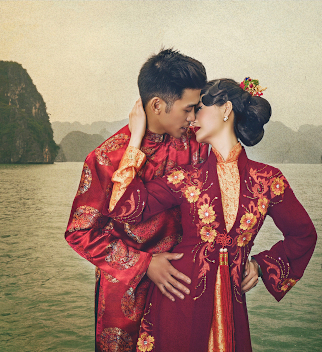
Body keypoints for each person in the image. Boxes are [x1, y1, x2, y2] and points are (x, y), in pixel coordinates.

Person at [106, 78, 317, 351]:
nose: (192, 118)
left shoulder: (268, 181)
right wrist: (135, 139)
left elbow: (304, 234)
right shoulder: (185, 179)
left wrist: (261, 266)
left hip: (231, 308)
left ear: (225, 109)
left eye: (200, 108)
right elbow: (123, 207)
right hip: (176, 302)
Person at [64, 48, 213, 352]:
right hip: (125, 293)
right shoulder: (107, 157)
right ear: (157, 105)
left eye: (196, 108)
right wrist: (144, 264)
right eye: (187, 109)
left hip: (181, 285)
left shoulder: (197, 145)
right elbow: (79, 233)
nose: (193, 117)